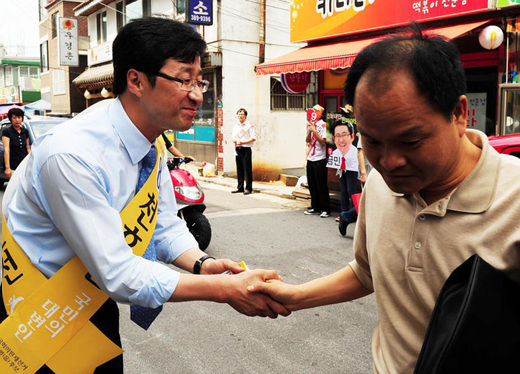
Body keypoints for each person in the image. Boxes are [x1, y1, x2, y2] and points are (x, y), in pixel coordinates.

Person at [0, 17, 289, 374]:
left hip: (90, 303)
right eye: (184, 79)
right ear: (136, 80)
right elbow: (118, 272)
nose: (198, 93)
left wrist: (203, 265)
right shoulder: (73, 156)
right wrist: (223, 289)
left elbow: (161, 223)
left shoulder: (149, 141)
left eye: (199, 81)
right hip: (38, 311)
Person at [249, 25, 520, 373]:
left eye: (410, 142)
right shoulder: (380, 185)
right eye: (373, 141)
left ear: (458, 113)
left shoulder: (512, 200)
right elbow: (367, 272)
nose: (390, 162)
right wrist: (297, 296)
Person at [330, 120, 359, 236]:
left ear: (352, 136)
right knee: (343, 190)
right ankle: (344, 213)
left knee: (352, 191)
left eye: (344, 135)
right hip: (341, 169)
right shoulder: (337, 152)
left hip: (353, 169)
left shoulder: (355, 151)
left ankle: (350, 215)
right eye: (338, 136)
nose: (341, 139)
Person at [304, 104, 330, 218]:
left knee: (321, 184)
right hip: (311, 158)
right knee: (312, 184)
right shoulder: (310, 124)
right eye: (312, 110)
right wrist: (310, 130)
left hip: (320, 158)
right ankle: (315, 207)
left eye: (315, 110)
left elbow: (323, 142)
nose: (313, 112)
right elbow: (307, 140)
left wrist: (315, 131)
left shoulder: (324, 125)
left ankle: (326, 208)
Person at [231, 108, 255, 195]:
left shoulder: (249, 126)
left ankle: (248, 188)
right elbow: (233, 137)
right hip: (238, 149)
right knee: (239, 169)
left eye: (242, 114)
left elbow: (253, 138)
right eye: (239, 114)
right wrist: (234, 140)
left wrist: (243, 142)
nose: (240, 116)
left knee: (247, 169)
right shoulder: (235, 126)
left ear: (245, 116)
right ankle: (240, 187)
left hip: (246, 149)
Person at [2, 107, 30, 179]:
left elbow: (27, 148)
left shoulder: (25, 131)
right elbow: (6, 149)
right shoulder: (7, 131)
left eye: (19, 117)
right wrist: (7, 168)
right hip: (13, 165)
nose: (17, 120)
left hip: (24, 164)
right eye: (14, 118)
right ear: (10, 119)